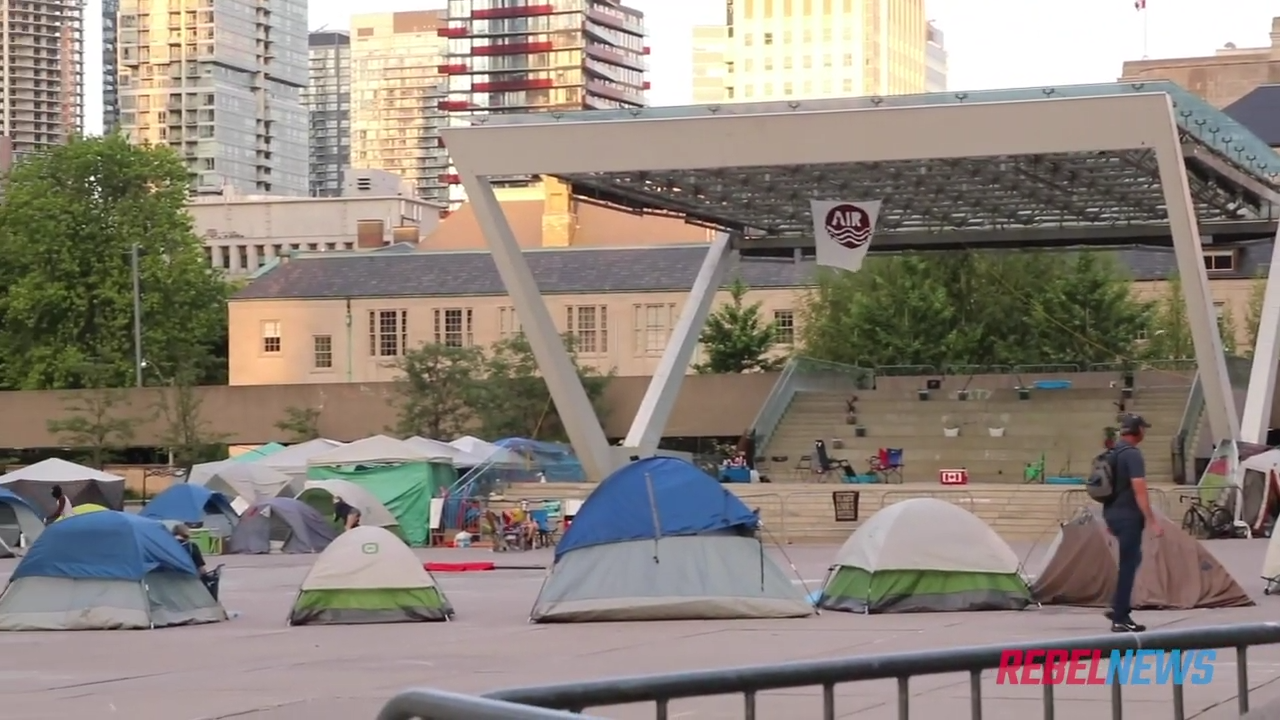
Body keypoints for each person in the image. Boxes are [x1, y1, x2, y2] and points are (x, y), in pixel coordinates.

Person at [1103, 413, 1161, 633]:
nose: (1144, 433)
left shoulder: (1113, 453)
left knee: (1131, 560)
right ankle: (1120, 617)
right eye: (1143, 429)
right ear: (1137, 431)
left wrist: (1109, 516)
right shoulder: (1133, 455)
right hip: (1128, 516)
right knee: (1129, 564)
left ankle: (1119, 603)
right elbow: (1139, 489)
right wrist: (1152, 520)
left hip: (1113, 514)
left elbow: (1108, 489)